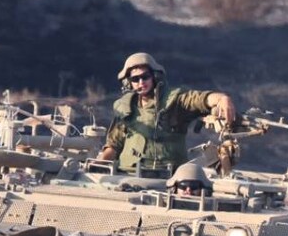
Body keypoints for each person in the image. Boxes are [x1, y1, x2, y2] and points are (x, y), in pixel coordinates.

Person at [97, 53, 236, 174]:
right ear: (129, 82)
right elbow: (114, 145)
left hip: (170, 178)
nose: (141, 82)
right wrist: (98, 166)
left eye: (145, 77)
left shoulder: (174, 101)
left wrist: (222, 99)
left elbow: (199, 99)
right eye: (135, 79)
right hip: (128, 175)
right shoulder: (125, 107)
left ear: (155, 76)